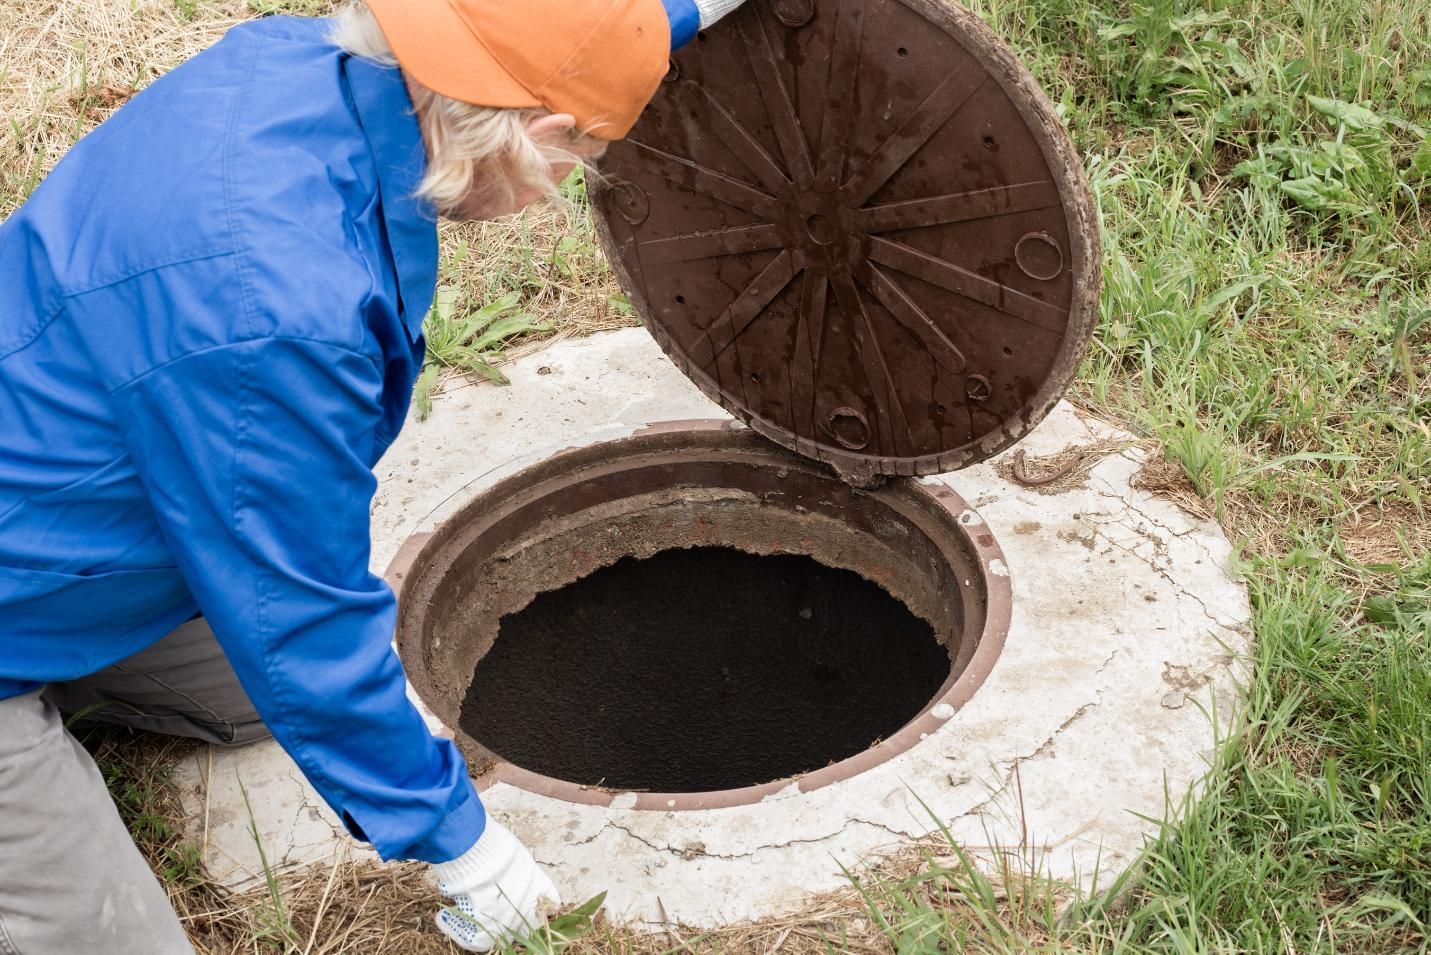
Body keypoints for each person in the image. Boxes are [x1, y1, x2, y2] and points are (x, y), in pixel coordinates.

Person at [0, 0, 744, 951]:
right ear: (546, 133)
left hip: (59, 491)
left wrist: (687, 12)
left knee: (274, 690)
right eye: (575, 163)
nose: (558, 186)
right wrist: (460, 843)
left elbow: (549, 33)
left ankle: (66, 664)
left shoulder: (309, 62)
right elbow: (296, 617)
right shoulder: (274, 309)